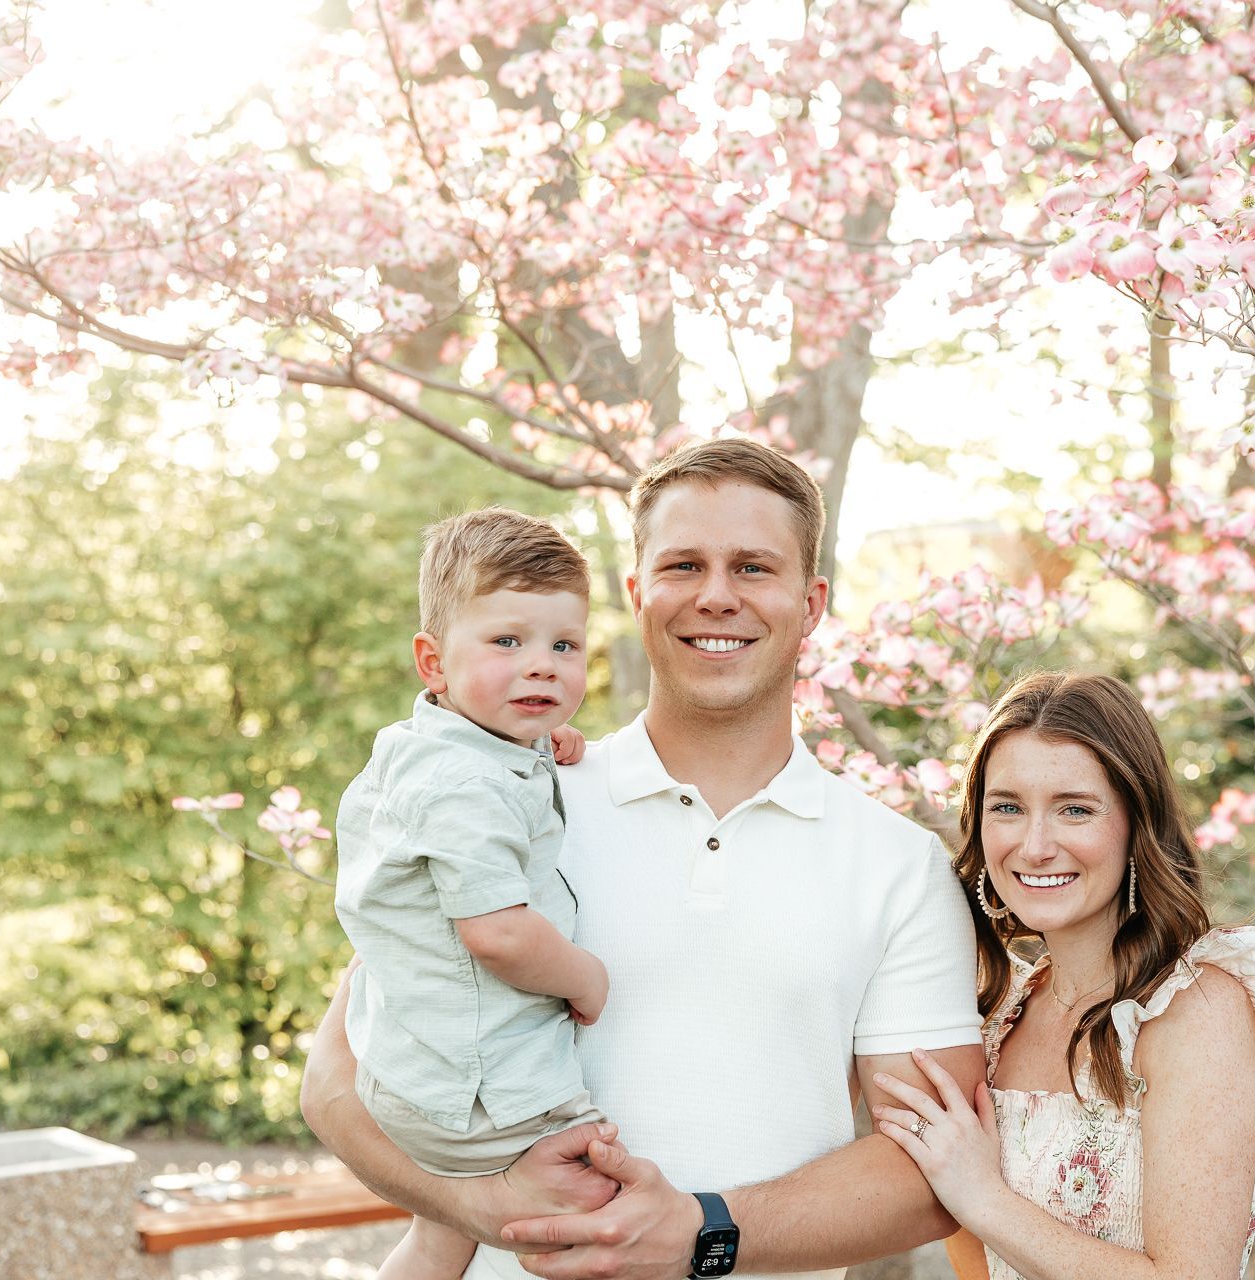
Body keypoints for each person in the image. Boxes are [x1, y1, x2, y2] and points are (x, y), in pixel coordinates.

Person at [301, 438, 988, 1280]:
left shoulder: (899, 865)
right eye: (683, 565)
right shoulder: (509, 796)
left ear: (811, 604)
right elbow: (335, 1079)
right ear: (636, 594)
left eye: (753, 568)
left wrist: (703, 1233)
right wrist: (487, 1210)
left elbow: (931, 1172)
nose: (716, 596)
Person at [869, 672, 1255, 1280]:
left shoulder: (1196, 1010)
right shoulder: (1002, 1017)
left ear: (1137, 824)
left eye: (1074, 810)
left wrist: (982, 1198)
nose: (1034, 846)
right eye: (1007, 808)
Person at [332, 508, 607, 1279]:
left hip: (410, 1063)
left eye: (564, 646)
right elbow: (499, 934)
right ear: (433, 662)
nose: (542, 666)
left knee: (439, 1239)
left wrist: (547, 747)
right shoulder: (463, 786)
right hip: (479, 1087)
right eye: (508, 642)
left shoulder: (443, 744)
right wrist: (586, 978)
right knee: (597, 1206)